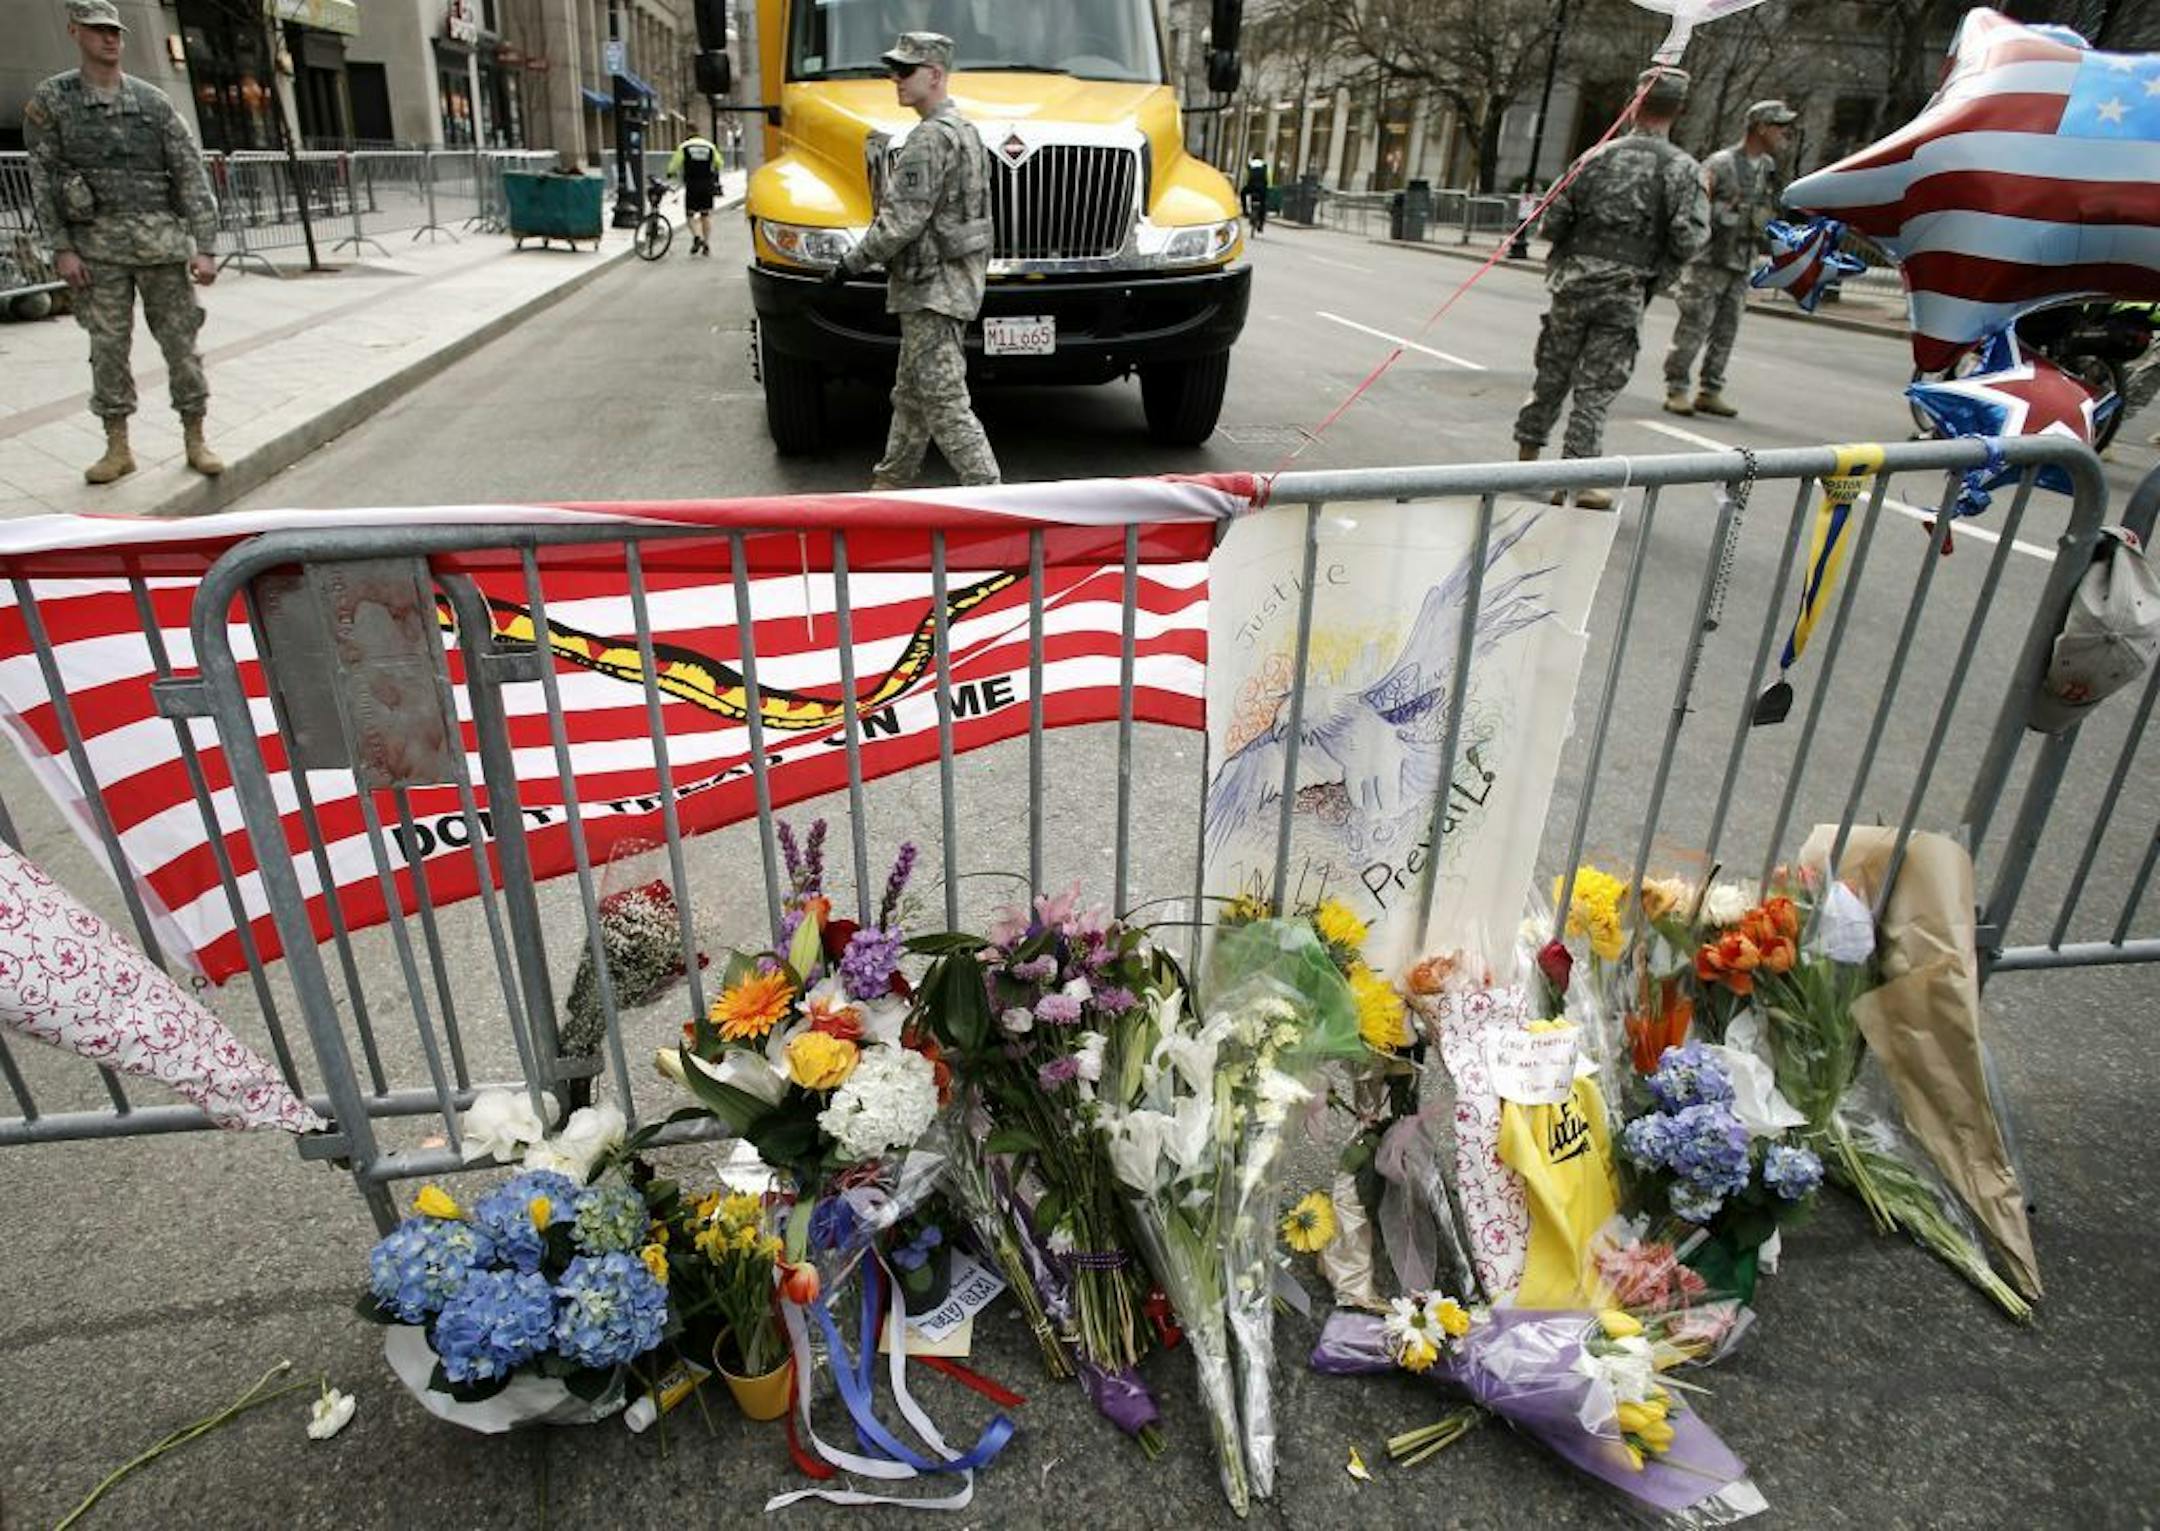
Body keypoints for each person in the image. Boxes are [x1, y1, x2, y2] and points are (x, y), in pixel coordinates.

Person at [23, 0, 222, 485]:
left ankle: (195, 437)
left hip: (160, 245)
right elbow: (43, 180)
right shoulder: (53, 102)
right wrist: (62, 248)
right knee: (108, 348)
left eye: (115, 31)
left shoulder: (152, 102)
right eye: (97, 31)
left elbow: (190, 174)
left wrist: (206, 245)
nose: (109, 39)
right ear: (74, 32)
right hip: (97, 251)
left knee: (181, 346)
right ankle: (118, 446)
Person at [1514, 66, 1708, 510]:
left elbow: (1551, 223)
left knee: (1552, 371)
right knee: (1595, 388)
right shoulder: (1682, 169)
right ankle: (1576, 479)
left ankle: (1526, 456)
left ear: (1635, 106)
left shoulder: (1594, 157)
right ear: (1679, 109)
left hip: (1573, 284)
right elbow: (1690, 239)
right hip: (1624, 290)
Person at [824, 31, 999, 489]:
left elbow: (900, 222)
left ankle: (996, 498)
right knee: (911, 396)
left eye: (906, 70)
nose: (894, 78)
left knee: (943, 400)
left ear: (935, 75)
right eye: (894, 70)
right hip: (953, 286)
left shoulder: (927, 140)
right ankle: (890, 486)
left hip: (930, 291)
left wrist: (847, 266)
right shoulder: (968, 134)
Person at [1663, 99, 1796, 418]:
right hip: (1709, 262)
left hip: (1741, 261)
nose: (1784, 133)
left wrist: (1763, 221)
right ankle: (1676, 388)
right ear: (1760, 127)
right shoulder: (1719, 164)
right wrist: (1733, 214)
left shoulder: (1768, 167)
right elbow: (1696, 207)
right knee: (1694, 326)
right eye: (1779, 126)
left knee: (1727, 329)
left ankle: (1710, 390)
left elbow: (1770, 207)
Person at [668, 130, 723, 256]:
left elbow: (675, 164)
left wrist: (671, 172)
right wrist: (714, 172)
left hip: (692, 184)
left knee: (690, 215)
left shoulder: (684, 147)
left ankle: (697, 236)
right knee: (706, 214)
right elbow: (719, 163)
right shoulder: (710, 147)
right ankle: (706, 243)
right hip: (707, 184)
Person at [1243, 154, 1270, 235]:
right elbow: (1269, 178)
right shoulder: (1265, 166)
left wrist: (1246, 186)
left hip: (1251, 187)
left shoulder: (1249, 166)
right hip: (1262, 188)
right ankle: (1261, 224)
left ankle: (1245, 211)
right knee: (1263, 204)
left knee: (1244, 195)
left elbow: (1246, 177)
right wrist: (1268, 188)